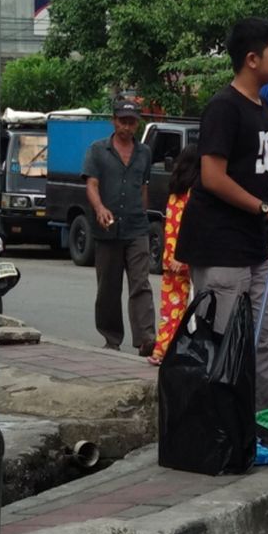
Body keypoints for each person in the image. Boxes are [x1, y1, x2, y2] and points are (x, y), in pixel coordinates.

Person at [174, 17, 268, 410]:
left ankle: (264, 422)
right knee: (220, 341)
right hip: (219, 245)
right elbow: (212, 177)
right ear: (252, 59)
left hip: (253, 244)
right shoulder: (223, 107)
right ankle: (218, 426)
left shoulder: (263, 108)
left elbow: (253, 170)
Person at [82, 99, 156, 355]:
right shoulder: (98, 150)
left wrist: (142, 212)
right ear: (114, 121)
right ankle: (111, 338)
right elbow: (91, 185)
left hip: (136, 226)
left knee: (141, 283)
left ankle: (146, 337)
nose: (127, 127)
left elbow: (143, 186)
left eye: (132, 122)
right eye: (123, 121)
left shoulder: (144, 152)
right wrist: (100, 209)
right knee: (108, 287)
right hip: (107, 229)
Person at [148, 144, 199, 366]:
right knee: (197, 309)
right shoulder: (195, 193)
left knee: (171, 309)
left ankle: (162, 351)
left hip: (171, 258)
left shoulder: (174, 192)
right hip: (189, 257)